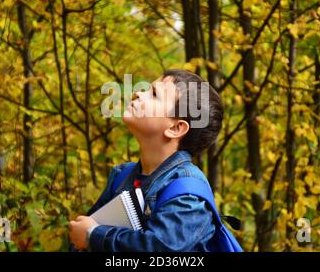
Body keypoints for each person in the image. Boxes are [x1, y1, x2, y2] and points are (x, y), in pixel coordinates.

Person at [69, 69, 229, 251]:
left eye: (154, 94)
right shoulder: (121, 176)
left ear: (176, 128)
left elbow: (158, 250)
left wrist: (94, 236)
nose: (138, 93)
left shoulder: (188, 194)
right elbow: (80, 238)